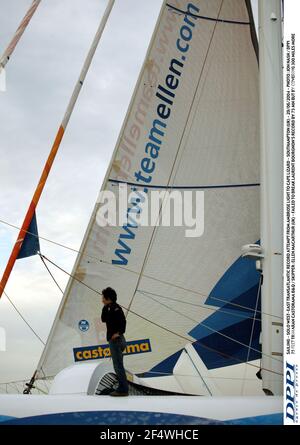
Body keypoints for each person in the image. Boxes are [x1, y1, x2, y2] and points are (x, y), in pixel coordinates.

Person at [101, 287, 129, 396]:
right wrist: (104, 306)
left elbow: (123, 322)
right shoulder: (108, 308)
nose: (102, 300)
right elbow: (103, 319)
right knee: (117, 365)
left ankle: (123, 389)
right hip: (114, 340)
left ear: (108, 298)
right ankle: (122, 387)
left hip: (117, 340)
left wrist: (118, 333)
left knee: (118, 365)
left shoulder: (116, 308)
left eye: (103, 298)